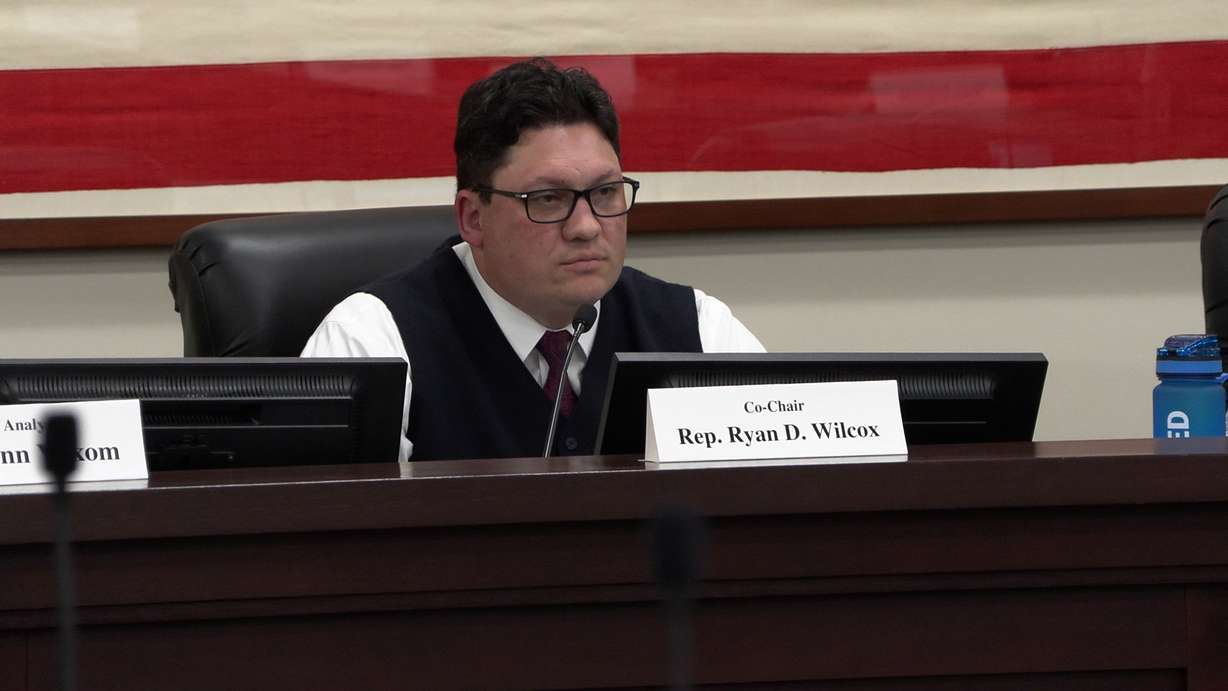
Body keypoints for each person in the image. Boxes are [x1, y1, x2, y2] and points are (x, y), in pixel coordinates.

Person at [302, 58, 763, 461]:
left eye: (605, 193)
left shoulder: (697, 329)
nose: (585, 226)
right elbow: (329, 538)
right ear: (474, 218)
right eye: (547, 199)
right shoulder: (373, 341)